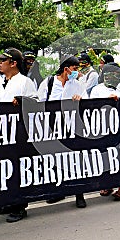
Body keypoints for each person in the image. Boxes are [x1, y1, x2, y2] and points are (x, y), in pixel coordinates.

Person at [0, 48, 37, 223]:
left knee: (18, 168)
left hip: (18, 133)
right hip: (0, 132)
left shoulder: (25, 82)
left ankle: (19, 205)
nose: (0, 64)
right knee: (4, 167)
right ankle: (8, 201)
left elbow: (36, 103)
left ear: (13, 63)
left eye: (3, 61)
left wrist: (23, 101)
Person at [37, 54, 87, 208]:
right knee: (55, 160)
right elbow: (40, 103)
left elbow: (88, 101)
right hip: (54, 127)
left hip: (73, 127)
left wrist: (81, 99)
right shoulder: (49, 82)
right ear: (66, 69)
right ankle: (58, 191)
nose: (77, 72)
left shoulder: (77, 84)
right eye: (74, 68)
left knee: (76, 160)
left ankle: (79, 194)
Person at [91, 63, 120, 200]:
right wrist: (105, 102)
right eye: (112, 73)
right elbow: (91, 107)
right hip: (103, 129)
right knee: (105, 158)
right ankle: (107, 184)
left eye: (117, 74)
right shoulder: (97, 90)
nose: (115, 76)